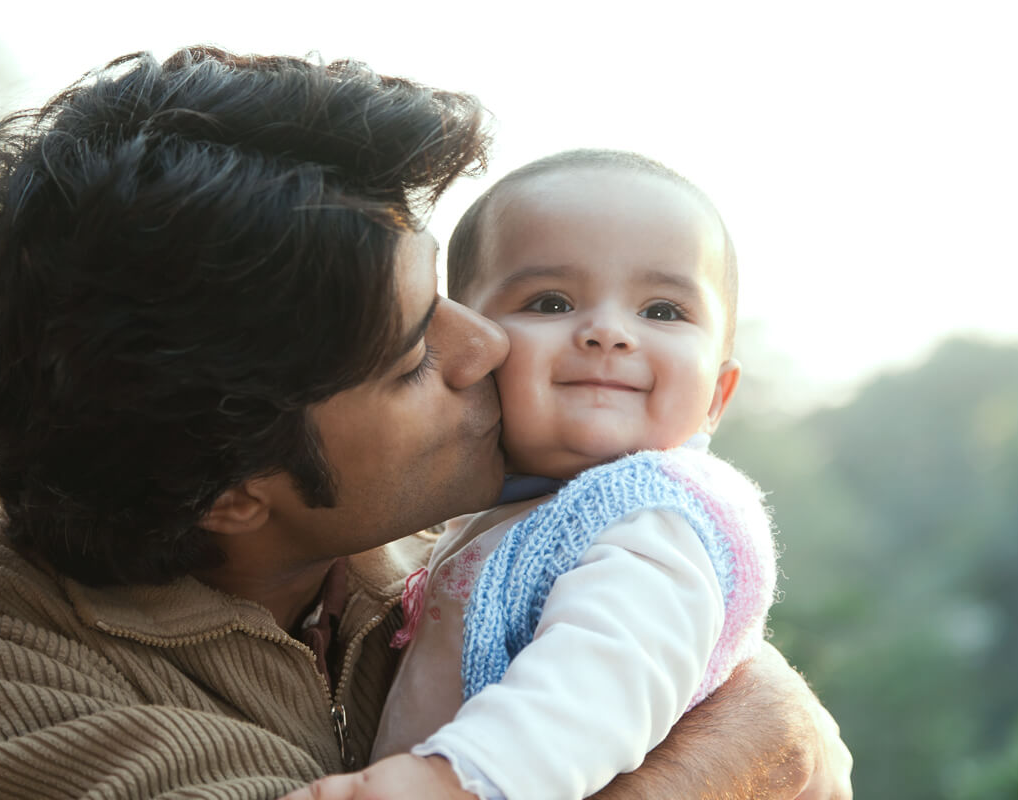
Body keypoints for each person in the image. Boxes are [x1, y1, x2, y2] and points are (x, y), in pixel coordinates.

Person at [0, 48, 851, 799]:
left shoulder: (421, 554)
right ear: (231, 489)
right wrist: (748, 744)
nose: (487, 345)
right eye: (415, 356)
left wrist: (764, 716)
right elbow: (776, 736)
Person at [287, 150, 777, 800]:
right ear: (473, 347)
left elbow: (603, 675)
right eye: (551, 302)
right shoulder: (509, 507)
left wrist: (453, 779)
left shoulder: (653, 520)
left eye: (662, 311)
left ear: (717, 395)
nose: (608, 332)